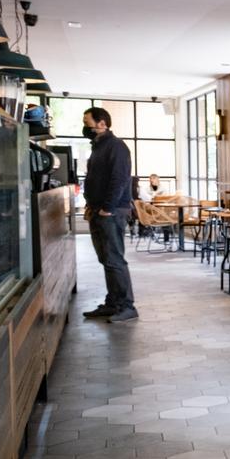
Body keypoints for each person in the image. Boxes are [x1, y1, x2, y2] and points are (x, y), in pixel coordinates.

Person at [81, 107, 138, 323]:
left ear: (102, 123)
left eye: (87, 122)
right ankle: (113, 302)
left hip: (111, 212)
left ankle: (126, 306)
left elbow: (120, 179)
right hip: (98, 210)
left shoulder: (116, 146)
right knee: (106, 259)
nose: (85, 127)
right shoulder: (99, 147)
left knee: (114, 259)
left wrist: (108, 207)